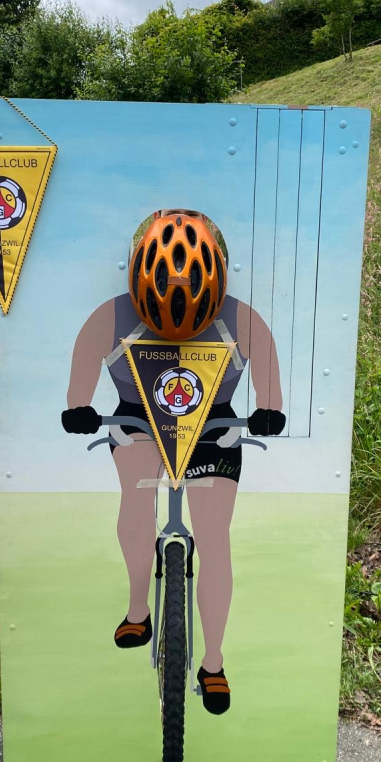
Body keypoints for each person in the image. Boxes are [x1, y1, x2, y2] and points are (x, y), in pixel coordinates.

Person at [61, 211, 284, 714]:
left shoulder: (243, 319)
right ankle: (139, 607)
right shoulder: (110, 316)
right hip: (137, 418)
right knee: (136, 503)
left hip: (215, 424)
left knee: (215, 538)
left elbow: (267, 369)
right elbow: (84, 364)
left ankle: (213, 663)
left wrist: (270, 408)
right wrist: (78, 406)